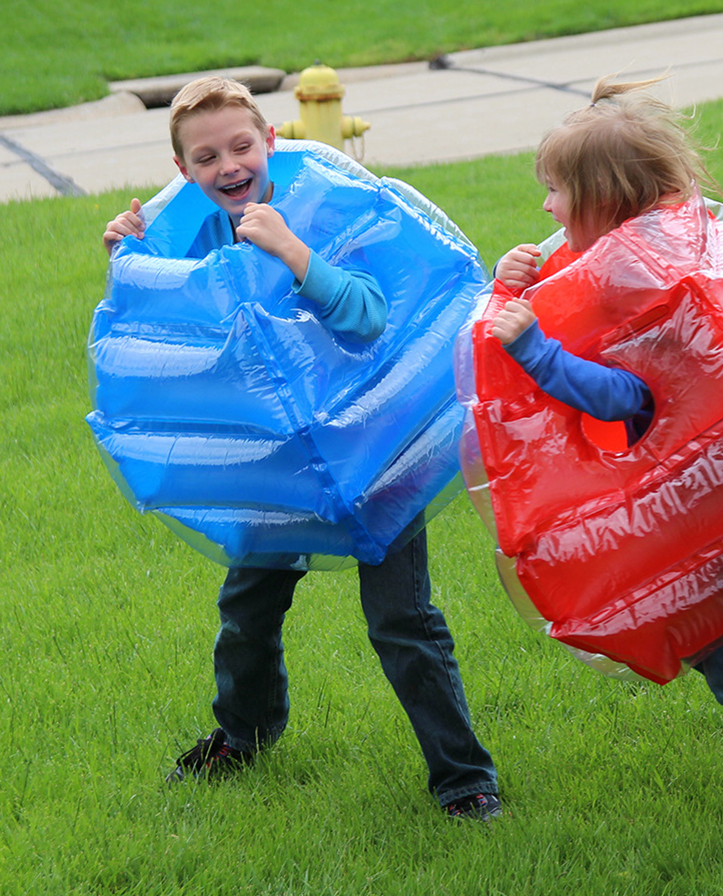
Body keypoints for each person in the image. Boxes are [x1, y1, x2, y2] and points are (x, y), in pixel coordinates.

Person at [103, 77, 500, 820]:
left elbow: (366, 316)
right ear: (183, 172)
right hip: (276, 462)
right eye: (205, 156)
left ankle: (463, 776)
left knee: (400, 621)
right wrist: (132, 250)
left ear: (271, 143)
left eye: (241, 146)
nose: (227, 165)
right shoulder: (196, 230)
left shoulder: (313, 211)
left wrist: (293, 252)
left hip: (370, 452)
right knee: (247, 608)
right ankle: (243, 733)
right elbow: (180, 320)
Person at [489, 75, 723, 852]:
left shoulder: (647, 285)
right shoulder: (656, 251)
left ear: (604, 199)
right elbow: (588, 310)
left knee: (722, 650)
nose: (548, 208)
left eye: (556, 192)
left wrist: (531, 348)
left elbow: (623, 395)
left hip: (713, 506)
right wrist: (515, 283)